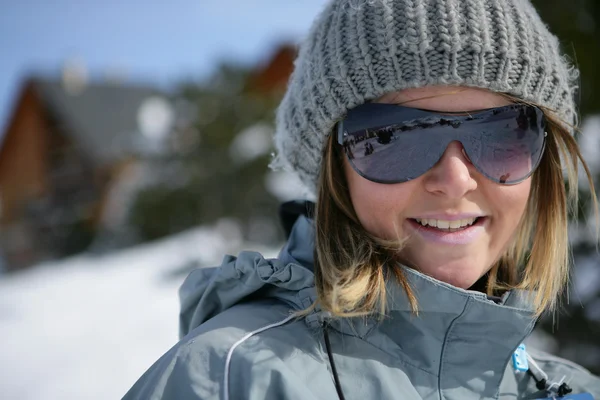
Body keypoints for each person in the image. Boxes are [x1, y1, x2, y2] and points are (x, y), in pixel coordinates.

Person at [123, 0, 600, 399]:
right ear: (333, 170)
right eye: (394, 137)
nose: (455, 180)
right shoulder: (230, 379)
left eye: (502, 132)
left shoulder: (566, 388)